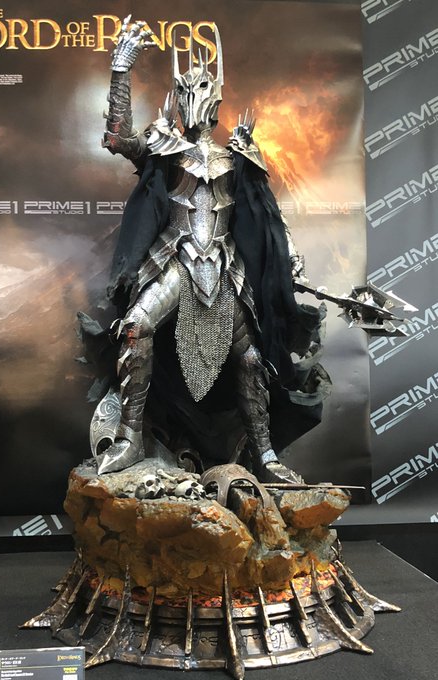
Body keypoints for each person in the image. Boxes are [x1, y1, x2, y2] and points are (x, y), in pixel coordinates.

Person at [92, 17, 328, 482]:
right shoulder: (164, 145)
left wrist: (289, 260)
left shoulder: (238, 154)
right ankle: (128, 438)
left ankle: (265, 455)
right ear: (178, 96)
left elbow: (265, 215)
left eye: (202, 88)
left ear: (216, 97)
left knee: (252, 359)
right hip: (173, 259)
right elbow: (118, 137)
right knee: (136, 327)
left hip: (224, 267)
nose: (194, 97)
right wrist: (122, 65)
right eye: (186, 89)